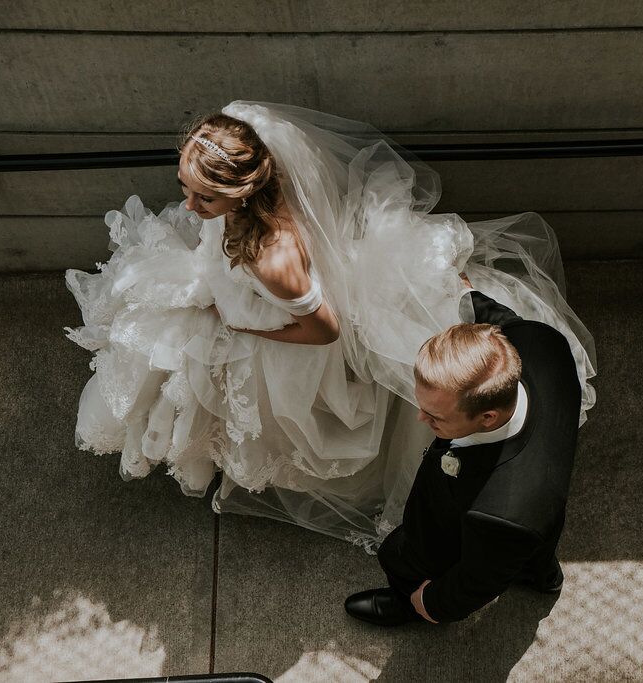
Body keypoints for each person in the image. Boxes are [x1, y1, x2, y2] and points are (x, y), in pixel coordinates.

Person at [65, 101, 595, 550]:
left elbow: (324, 329)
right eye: (186, 186)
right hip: (235, 296)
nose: (188, 205)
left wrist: (251, 332)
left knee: (236, 395)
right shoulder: (243, 148)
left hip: (279, 337)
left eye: (205, 197)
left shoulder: (274, 262)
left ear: (245, 193)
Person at [344, 286, 580, 625]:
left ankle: (406, 606)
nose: (420, 419)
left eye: (436, 417)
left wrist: (430, 602)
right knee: (531, 550)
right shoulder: (539, 340)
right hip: (542, 500)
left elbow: (476, 582)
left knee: (407, 558)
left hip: (476, 530)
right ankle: (543, 574)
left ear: (488, 418)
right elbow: (503, 321)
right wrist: (464, 292)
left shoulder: (501, 515)